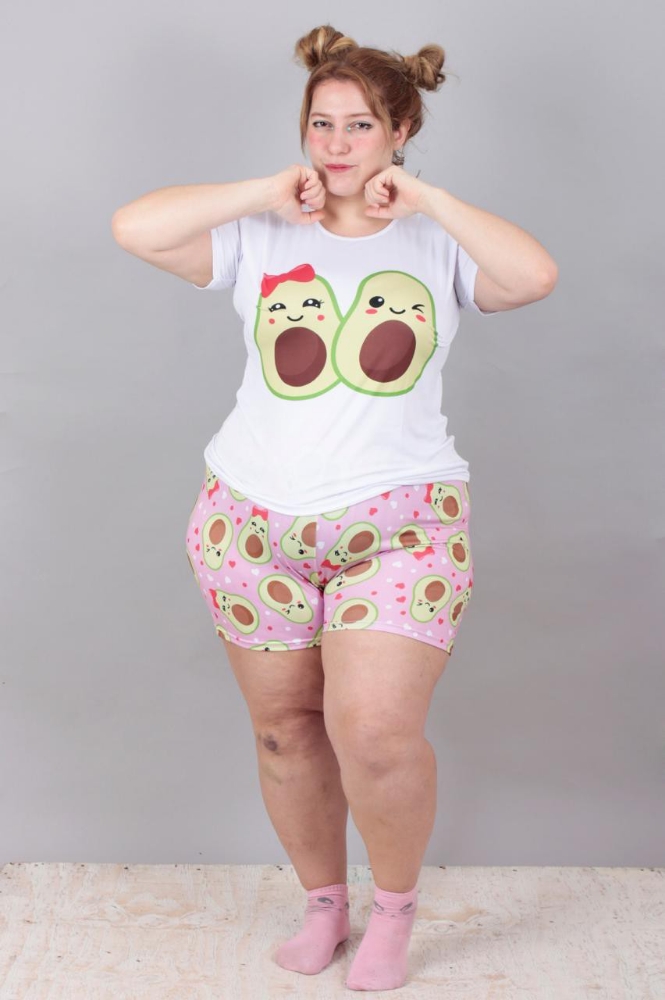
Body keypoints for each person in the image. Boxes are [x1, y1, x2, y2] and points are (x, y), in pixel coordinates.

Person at [112, 23, 557, 993]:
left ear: (400, 131)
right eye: (321, 123)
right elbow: (134, 228)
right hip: (248, 521)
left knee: (376, 734)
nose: (337, 143)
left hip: (399, 525)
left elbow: (532, 277)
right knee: (284, 729)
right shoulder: (261, 232)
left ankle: (391, 911)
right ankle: (323, 905)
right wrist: (264, 192)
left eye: (360, 125)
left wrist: (426, 198)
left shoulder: (437, 243)